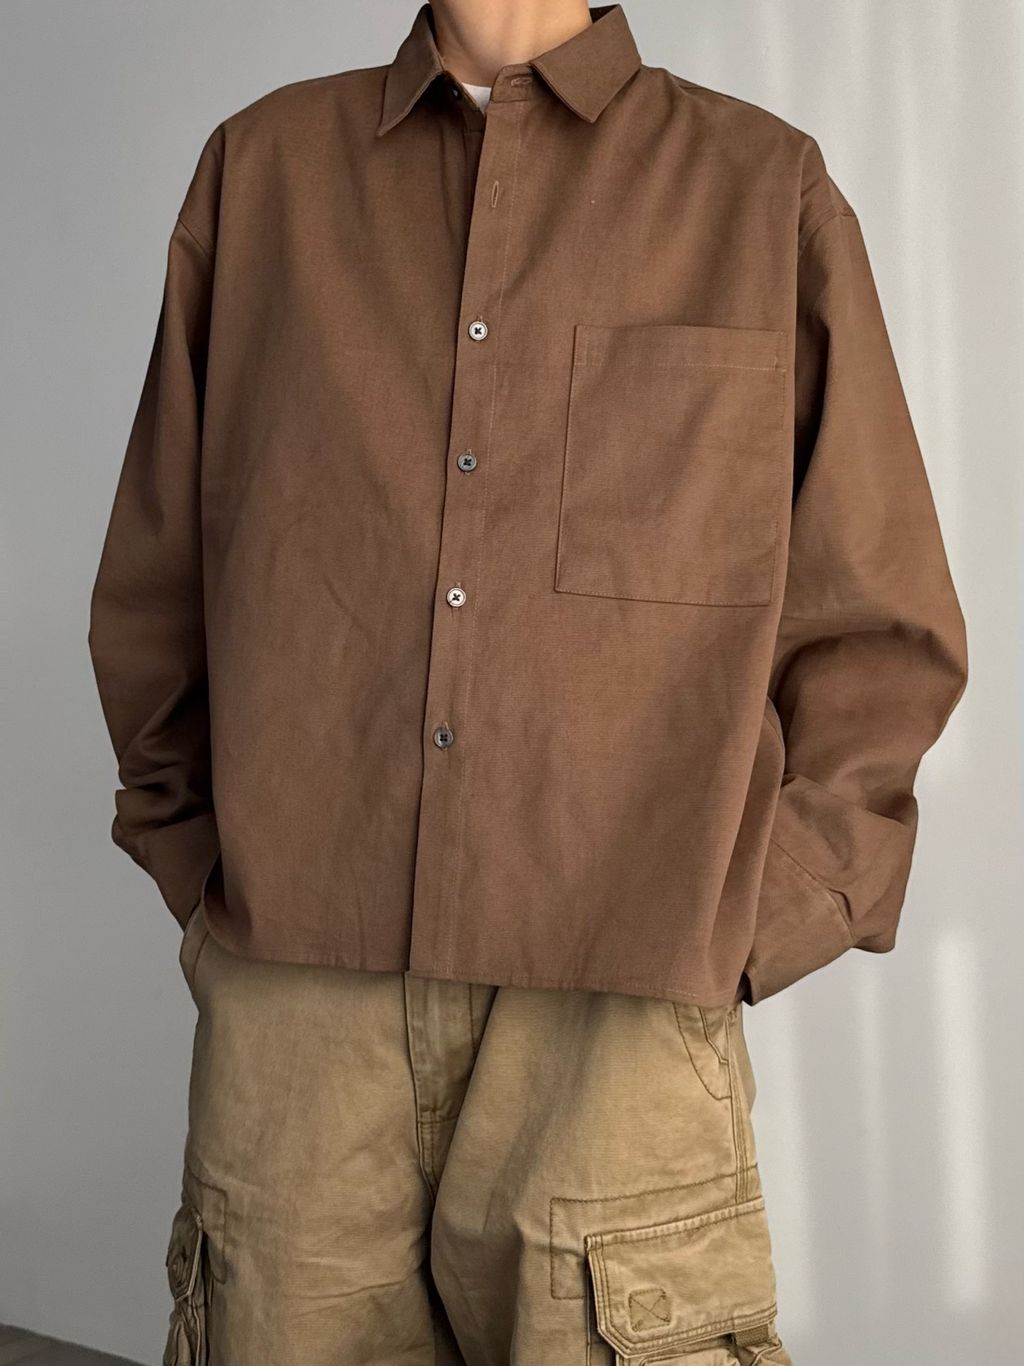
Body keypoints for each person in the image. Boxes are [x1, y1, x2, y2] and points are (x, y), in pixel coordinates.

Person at [87, 1, 968, 1362]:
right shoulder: (261, 175)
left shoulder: (760, 190)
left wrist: (751, 921)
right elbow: (161, 575)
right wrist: (203, 863)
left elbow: (882, 620)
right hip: (298, 1012)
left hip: (622, 1006)